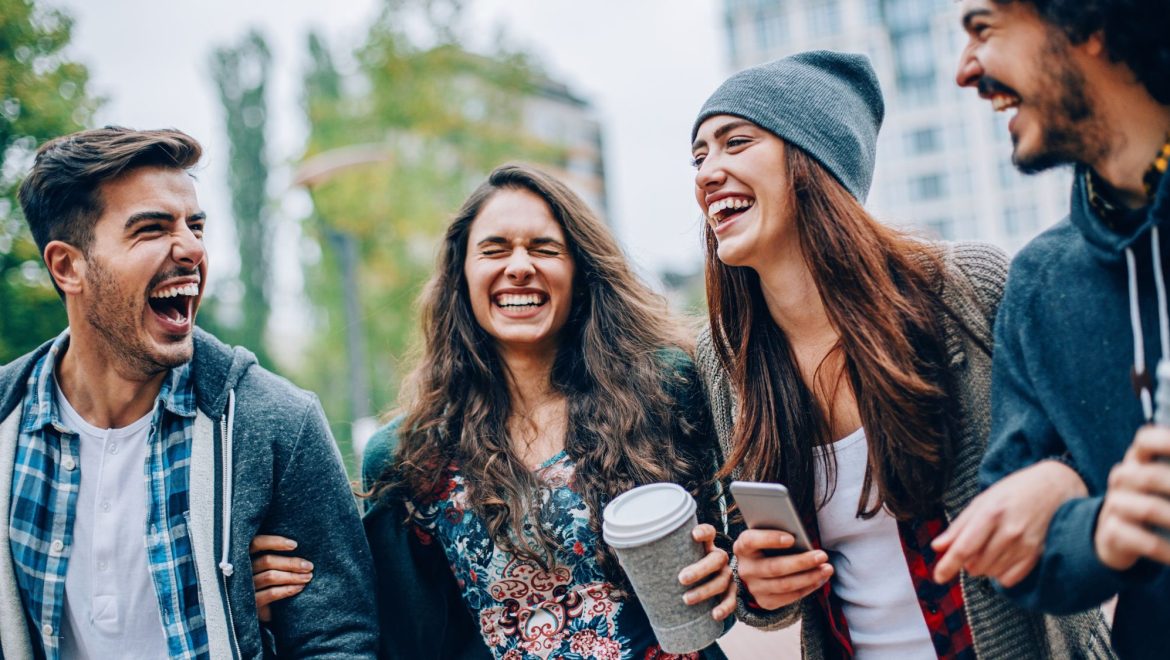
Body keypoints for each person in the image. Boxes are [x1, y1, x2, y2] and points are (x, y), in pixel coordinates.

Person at [689, 51, 1112, 658]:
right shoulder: (725, 355)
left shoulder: (966, 288)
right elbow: (761, 583)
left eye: (736, 142)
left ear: (814, 160)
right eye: (699, 155)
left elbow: (1098, 441)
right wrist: (757, 584)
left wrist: (1061, 480)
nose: (707, 172)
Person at [0, 127, 378, 659]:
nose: (192, 249)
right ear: (68, 267)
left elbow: (338, 639)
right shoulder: (6, 426)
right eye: (152, 229)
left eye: (195, 226)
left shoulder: (276, 425)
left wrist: (236, 609)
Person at [355, 163, 734, 659]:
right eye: (494, 249)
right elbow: (405, 644)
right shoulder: (409, 458)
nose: (518, 266)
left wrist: (729, 580)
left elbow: (729, 563)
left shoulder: (665, 391)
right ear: (461, 275)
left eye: (543, 249)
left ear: (579, 270)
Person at [938, 1, 1170, 658]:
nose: (965, 70)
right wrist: (1099, 531)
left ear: (1091, 21)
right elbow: (1017, 554)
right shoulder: (1041, 284)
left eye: (984, 29)